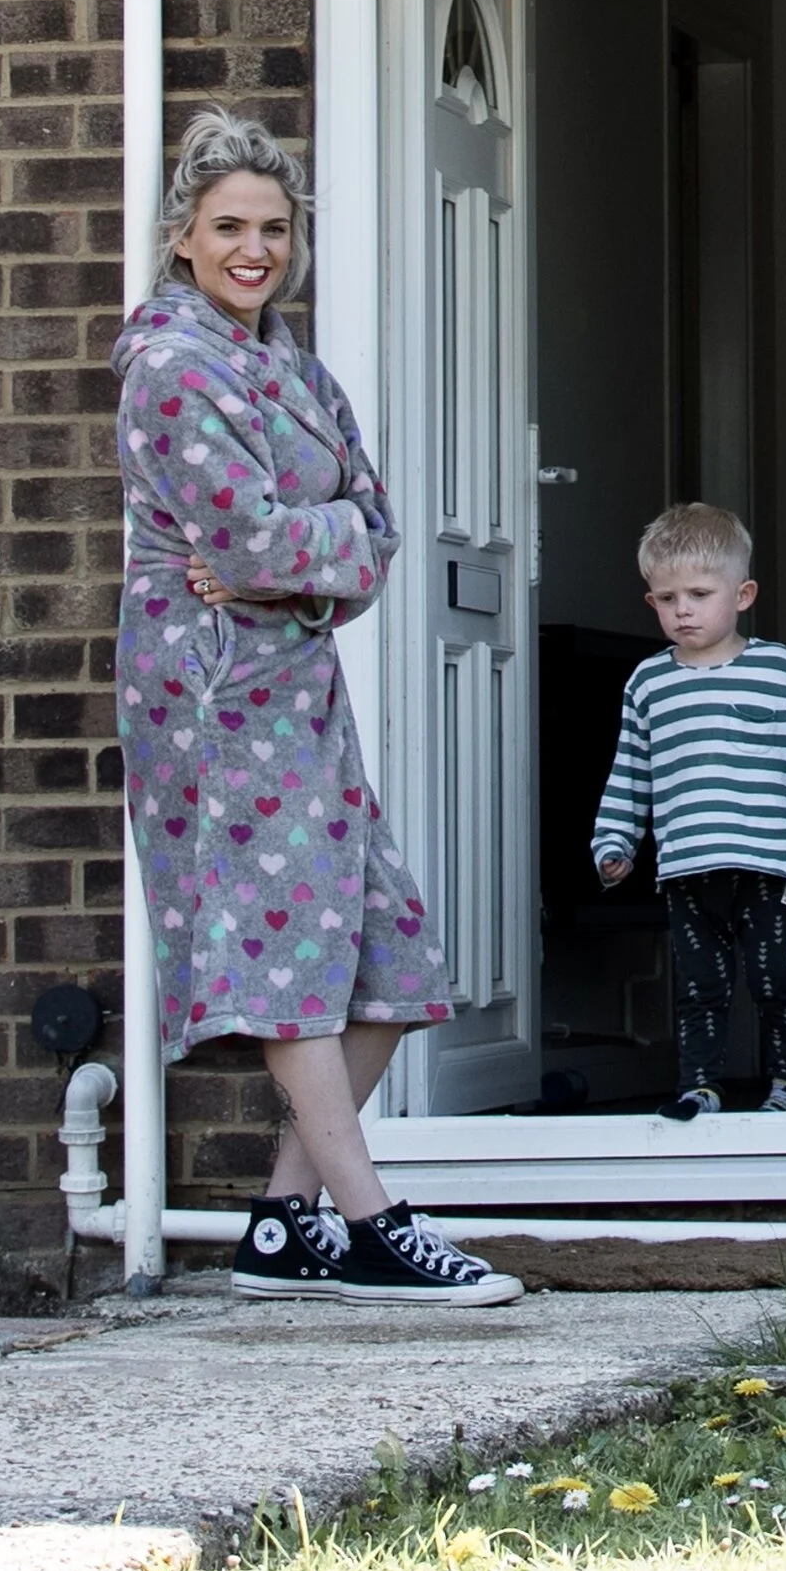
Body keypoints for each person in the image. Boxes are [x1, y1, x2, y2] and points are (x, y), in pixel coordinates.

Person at [114, 110, 522, 1306]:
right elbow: (240, 537)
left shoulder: (284, 358)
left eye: (274, 228)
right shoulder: (176, 364)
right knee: (289, 958)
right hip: (214, 692)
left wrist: (308, 557)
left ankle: (286, 1224)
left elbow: (374, 532)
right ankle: (376, 1225)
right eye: (229, 227)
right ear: (181, 237)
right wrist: (300, 552)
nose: (255, 248)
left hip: (292, 676)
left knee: (393, 957)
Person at [592, 503, 786, 1123]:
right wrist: (613, 841)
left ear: (743, 594)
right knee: (700, 988)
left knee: (776, 981)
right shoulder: (647, 684)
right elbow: (630, 770)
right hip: (686, 869)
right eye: (667, 598)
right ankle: (699, 1086)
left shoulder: (777, 669)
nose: (683, 610)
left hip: (767, 866)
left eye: (700, 594)